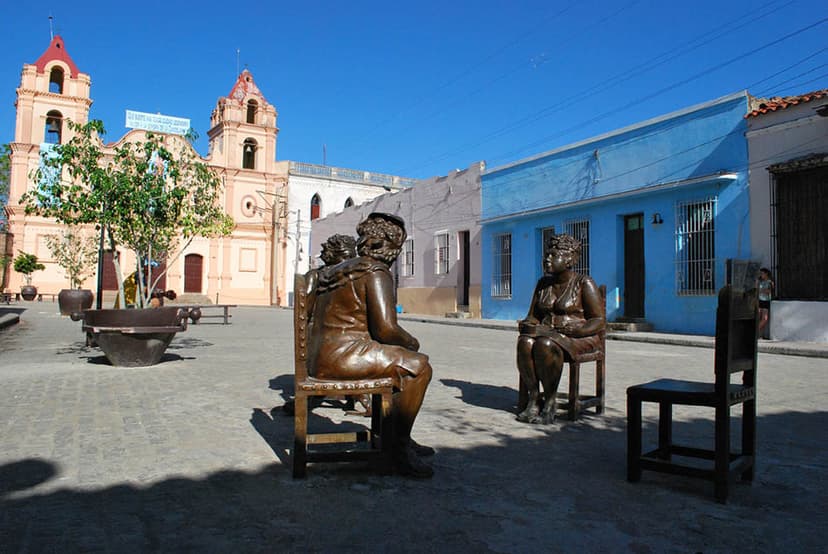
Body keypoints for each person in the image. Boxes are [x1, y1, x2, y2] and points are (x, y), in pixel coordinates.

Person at [308, 213, 434, 477]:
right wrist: (412, 343)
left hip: (319, 356)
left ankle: (394, 436)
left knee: (400, 360)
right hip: (345, 356)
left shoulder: (335, 270)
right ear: (386, 245)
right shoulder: (375, 272)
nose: (396, 255)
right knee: (419, 367)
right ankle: (398, 448)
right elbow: (386, 329)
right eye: (397, 248)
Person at [516, 233, 605, 424]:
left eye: (553, 255)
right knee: (524, 342)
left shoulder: (584, 283)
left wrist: (579, 331)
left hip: (579, 336)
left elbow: (598, 320)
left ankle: (550, 401)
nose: (547, 258)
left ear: (570, 259)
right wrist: (526, 324)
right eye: (546, 254)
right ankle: (533, 397)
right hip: (548, 333)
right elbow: (533, 315)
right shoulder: (543, 284)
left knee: (544, 345)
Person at [757, 267, 774, 339]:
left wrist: (761, 290)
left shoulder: (770, 282)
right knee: (757, 317)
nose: (761, 275)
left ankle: (755, 331)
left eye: (762, 273)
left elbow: (769, 291)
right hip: (758, 300)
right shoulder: (759, 281)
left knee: (764, 319)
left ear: (766, 273)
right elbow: (757, 290)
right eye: (760, 273)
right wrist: (763, 290)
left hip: (766, 301)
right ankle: (759, 335)